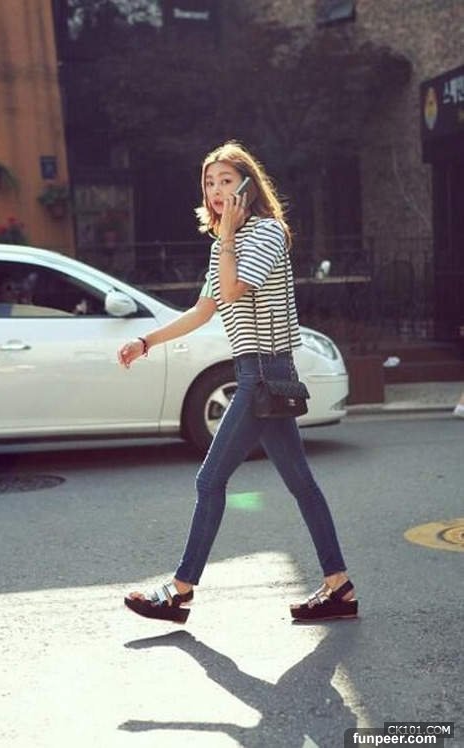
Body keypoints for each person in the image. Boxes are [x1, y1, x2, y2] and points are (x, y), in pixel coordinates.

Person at [118, 141, 357, 624]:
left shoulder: (266, 233)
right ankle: (340, 587)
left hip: (267, 372)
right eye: (209, 182)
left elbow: (232, 290)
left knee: (210, 480)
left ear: (248, 186)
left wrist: (227, 236)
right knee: (301, 484)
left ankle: (180, 589)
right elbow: (203, 310)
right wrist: (147, 342)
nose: (216, 190)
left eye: (226, 180)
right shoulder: (221, 246)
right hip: (256, 371)